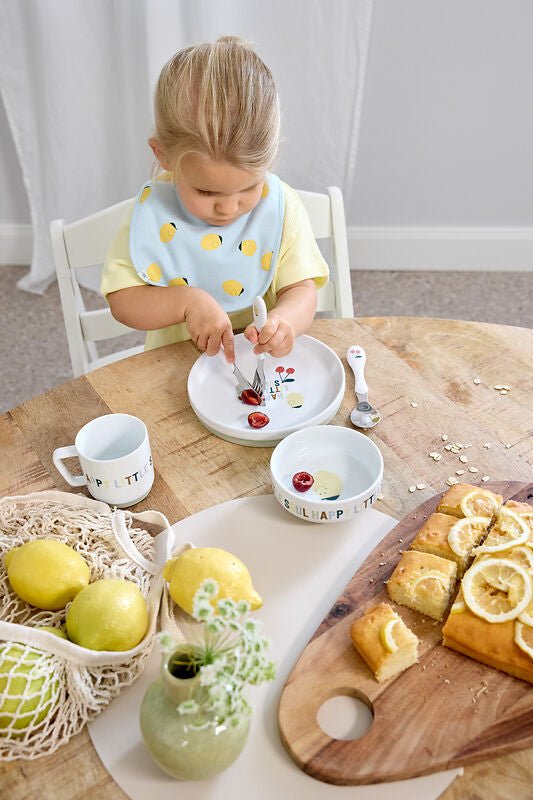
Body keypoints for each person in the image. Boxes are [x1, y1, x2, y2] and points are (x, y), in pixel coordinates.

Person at [101, 35, 329, 363]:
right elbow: (123, 301)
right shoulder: (152, 213)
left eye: (249, 187)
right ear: (163, 155)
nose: (228, 207)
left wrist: (285, 321)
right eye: (206, 192)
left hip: (260, 367)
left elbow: (301, 290)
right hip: (173, 366)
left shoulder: (281, 208)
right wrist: (186, 302)